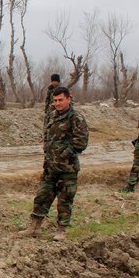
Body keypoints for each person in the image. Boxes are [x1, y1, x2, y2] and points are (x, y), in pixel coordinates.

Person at [20, 87, 89, 241]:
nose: (57, 103)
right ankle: (35, 227)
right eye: (55, 100)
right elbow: (47, 135)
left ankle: (61, 230)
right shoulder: (52, 116)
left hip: (67, 168)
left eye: (60, 100)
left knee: (64, 200)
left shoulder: (76, 117)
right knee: (41, 197)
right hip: (50, 167)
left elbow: (81, 142)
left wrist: (64, 155)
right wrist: (47, 150)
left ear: (68, 99)